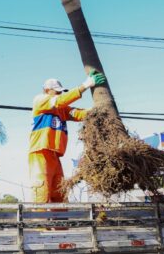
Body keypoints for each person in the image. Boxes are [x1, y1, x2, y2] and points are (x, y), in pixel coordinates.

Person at [29, 69, 106, 203]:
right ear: (47, 90)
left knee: (60, 193)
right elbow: (60, 100)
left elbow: (78, 113)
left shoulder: (61, 109)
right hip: (40, 153)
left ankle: (61, 223)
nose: (59, 94)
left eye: (60, 92)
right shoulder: (39, 100)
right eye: (57, 91)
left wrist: (100, 109)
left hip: (55, 155)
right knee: (41, 193)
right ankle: (40, 224)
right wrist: (85, 85)